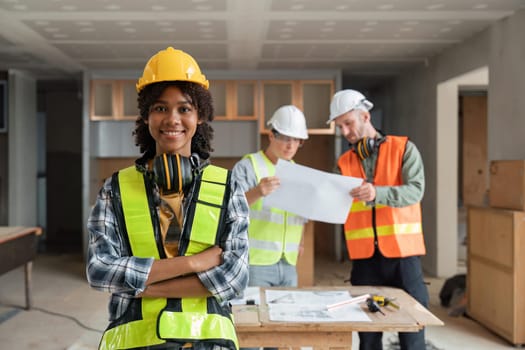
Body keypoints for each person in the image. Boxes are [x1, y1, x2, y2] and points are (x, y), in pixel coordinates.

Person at [86, 46, 250, 350]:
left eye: (184, 109)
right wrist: (196, 262)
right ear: (147, 116)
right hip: (134, 341)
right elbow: (99, 270)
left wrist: (143, 287)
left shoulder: (228, 187)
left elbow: (234, 278)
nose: (172, 119)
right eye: (160, 108)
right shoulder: (115, 189)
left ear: (199, 116)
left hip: (208, 341)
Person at [327, 89, 429, 350]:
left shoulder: (404, 148)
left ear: (366, 116)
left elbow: (416, 190)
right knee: (368, 335)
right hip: (364, 260)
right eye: (340, 127)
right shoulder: (344, 161)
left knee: (412, 328)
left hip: (403, 257)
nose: (345, 132)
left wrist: (377, 193)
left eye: (348, 123)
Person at [231, 105, 309, 289]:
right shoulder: (248, 166)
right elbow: (230, 208)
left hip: (289, 262)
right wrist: (257, 191)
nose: (291, 145)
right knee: (257, 316)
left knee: (286, 316)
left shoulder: (298, 172)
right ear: (271, 135)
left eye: (297, 140)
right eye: (285, 138)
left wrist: (301, 243)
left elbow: (301, 215)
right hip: (256, 263)